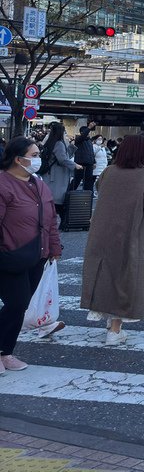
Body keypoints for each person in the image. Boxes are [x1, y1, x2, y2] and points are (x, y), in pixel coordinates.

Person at [79, 135, 144, 345]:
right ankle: (115, 330)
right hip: (130, 232)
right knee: (125, 276)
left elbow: (101, 189)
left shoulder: (108, 171)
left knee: (104, 274)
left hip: (102, 231)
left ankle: (110, 322)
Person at [0, 136, 61, 371]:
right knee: (16, 302)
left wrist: (54, 248)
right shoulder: (4, 184)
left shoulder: (38, 183)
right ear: (18, 159)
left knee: (21, 304)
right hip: (10, 254)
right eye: (34, 156)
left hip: (38, 254)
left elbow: (50, 220)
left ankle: (6, 352)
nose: (39, 160)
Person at [39, 122, 80, 230]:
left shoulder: (50, 142)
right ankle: (63, 222)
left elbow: (62, 156)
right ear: (61, 132)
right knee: (59, 200)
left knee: (52, 199)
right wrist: (75, 165)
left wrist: (71, 146)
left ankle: (55, 221)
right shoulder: (59, 143)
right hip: (58, 175)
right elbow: (63, 159)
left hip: (50, 175)